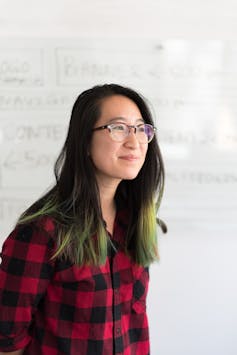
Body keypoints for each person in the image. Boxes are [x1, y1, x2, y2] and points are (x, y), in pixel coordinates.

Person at [0, 83, 167, 355]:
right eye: (119, 128)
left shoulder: (134, 220)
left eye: (141, 129)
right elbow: (7, 341)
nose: (134, 141)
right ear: (84, 141)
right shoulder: (41, 232)